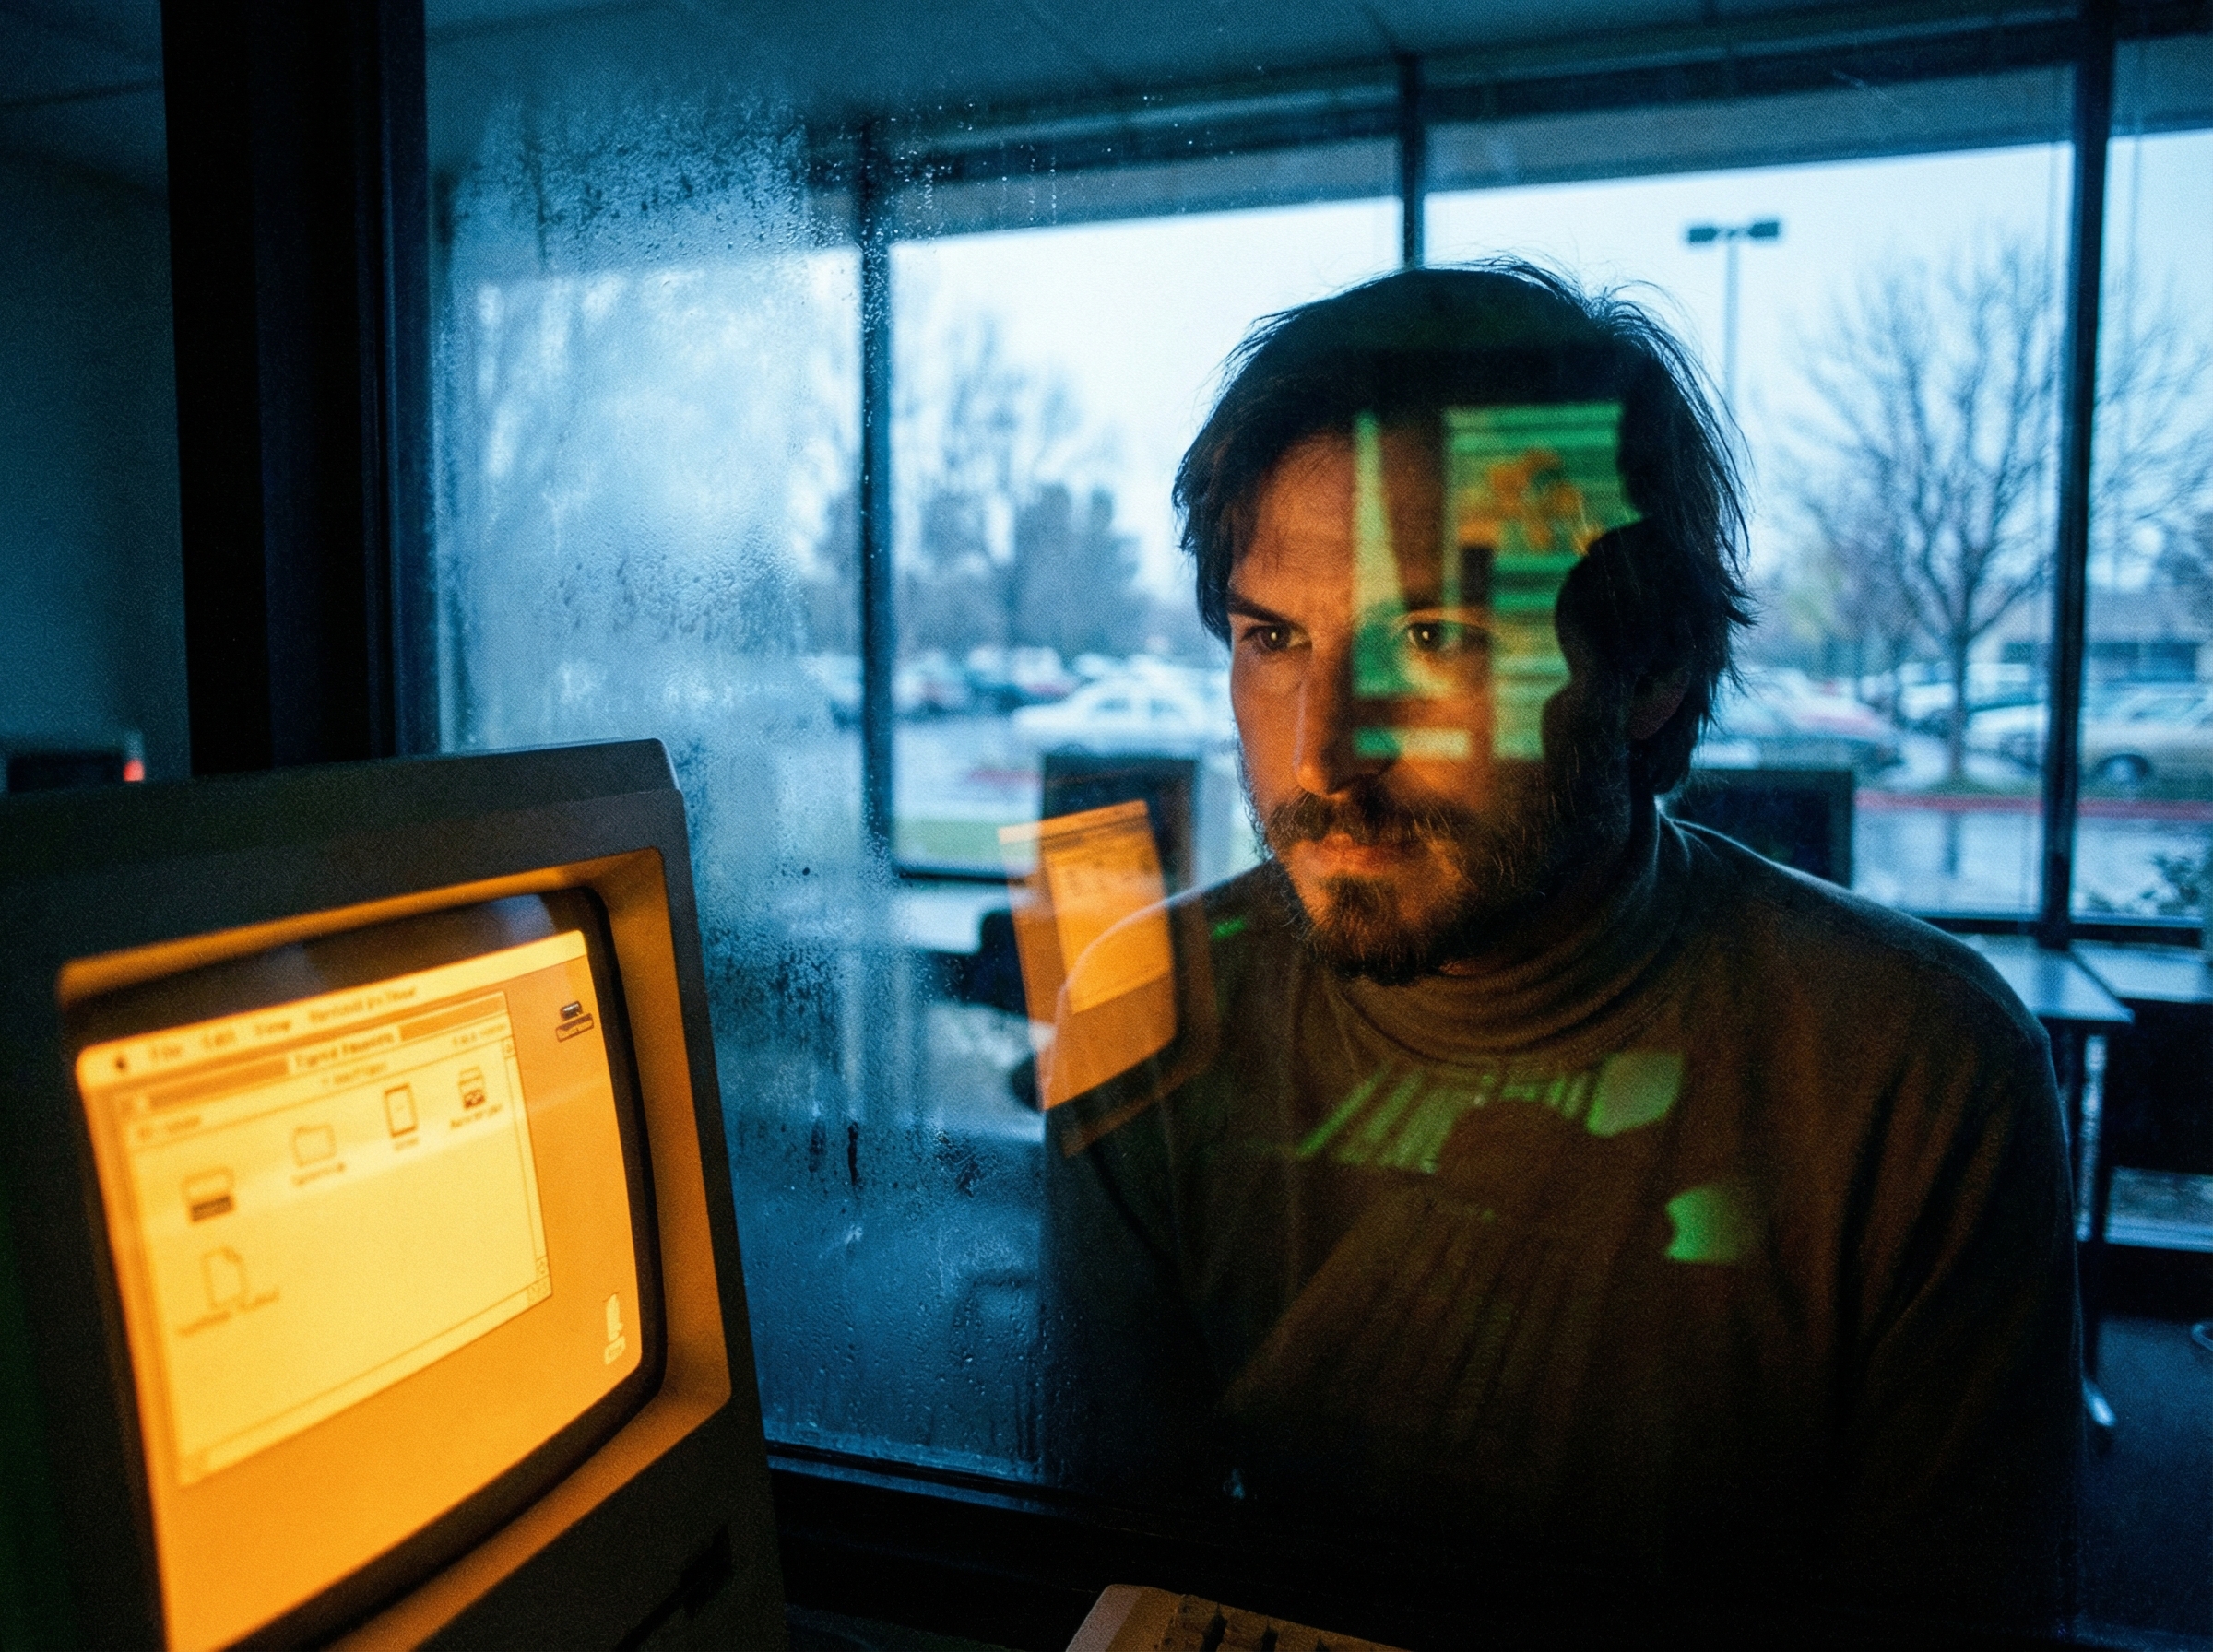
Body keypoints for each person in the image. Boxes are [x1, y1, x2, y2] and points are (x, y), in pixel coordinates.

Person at [1036, 263, 2081, 1634]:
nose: (1321, 756)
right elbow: (1113, 1581)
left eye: (1432, 635)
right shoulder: (1153, 1011)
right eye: (1272, 637)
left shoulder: (1917, 1077)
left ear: (1648, 671)